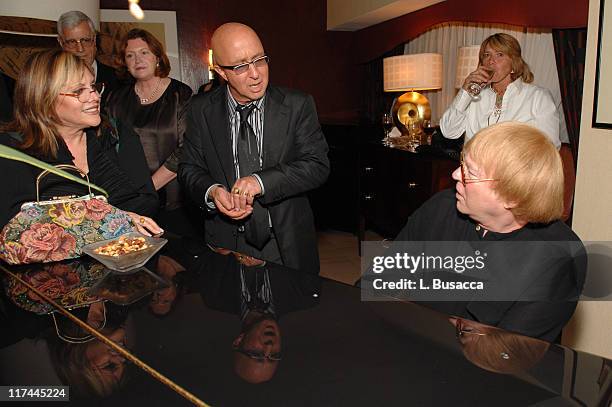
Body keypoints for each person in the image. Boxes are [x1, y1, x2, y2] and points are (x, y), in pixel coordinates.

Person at [391, 122, 585, 341]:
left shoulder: (558, 258)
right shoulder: (440, 208)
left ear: (512, 197)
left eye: (470, 172)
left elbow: (507, 354)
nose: (455, 174)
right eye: (462, 163)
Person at [179, 22, 330, 273]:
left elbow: (317, 165)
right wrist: (214, 192)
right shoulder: (200, 109)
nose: (256, 73)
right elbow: (188, 168)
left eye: (260, 60)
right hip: (226, 243)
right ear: (221, 72)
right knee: (229, 310)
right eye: (240, 66)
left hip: (285, 243)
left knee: (294, 310)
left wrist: (260, 182)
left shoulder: (297, 105)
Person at [0, 49, 161, 236]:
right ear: (44, 98)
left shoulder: (115, 134)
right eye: (78, 91)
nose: (94, 96)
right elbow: (13, 225)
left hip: (124, 258)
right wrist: (108, 220)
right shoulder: (14, 150)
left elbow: (147, 201)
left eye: (93, 86)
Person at [105, 29, 195, 237]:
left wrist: (147, 189)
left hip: (174, 200)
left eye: (144, 52)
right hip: (127, 201)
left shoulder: (180, 95)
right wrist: (127, 196)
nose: (137, 59)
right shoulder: (114, 99)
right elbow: (106, 148)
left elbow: (186, 148)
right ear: (124, 63)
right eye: (130, 55)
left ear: (157, 57)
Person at [440, 33, 561, 149]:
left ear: (514, 62)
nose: (491, 61)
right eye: (486, 55)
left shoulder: (538, 97)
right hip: (472, 168)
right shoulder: (473, 97)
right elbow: (448, 131)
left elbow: (550, 147)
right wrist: (465, 92)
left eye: (499, 54)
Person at [57, 11, 119, 90]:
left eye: (85, 40)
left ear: (94, 39)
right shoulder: (52, 79)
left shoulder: (116, 79)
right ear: (61, 43)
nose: (80, 49)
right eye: (72, 42)